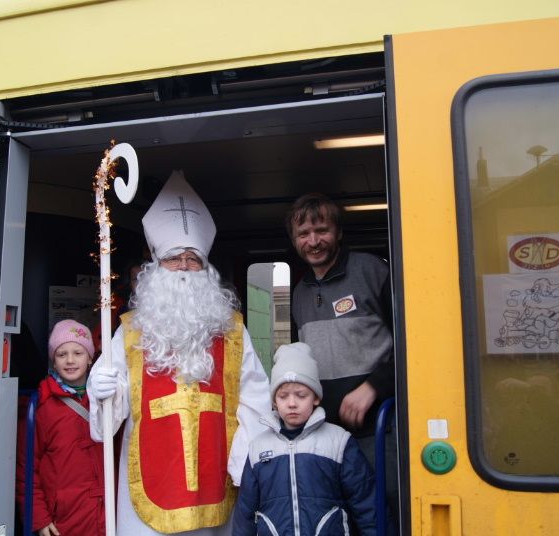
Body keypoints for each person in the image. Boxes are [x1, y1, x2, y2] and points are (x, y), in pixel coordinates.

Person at [87, 170, 270, 536]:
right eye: (174, 258)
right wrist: (102, 389)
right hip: (151, 475)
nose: (185, 267)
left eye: (193, 258)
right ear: (157, 264)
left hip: (216, 474)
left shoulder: (232, 329)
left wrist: (244, 462)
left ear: (206, 267)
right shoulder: (131, 329)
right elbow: (110, 412)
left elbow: (255, 399)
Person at [286, 192, 398, 530]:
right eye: (303, 234)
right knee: (337, 518)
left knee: (385, 514)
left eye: (322, 230)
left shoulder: (372, 271)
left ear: (339, 232)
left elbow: (415, 343)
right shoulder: (299, 292)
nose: (313, 241)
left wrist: (373, 387)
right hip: (325, 433)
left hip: (380, 431)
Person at [233, 342, 375, 535]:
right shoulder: (258, 448)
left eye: (301, 395)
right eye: (283, 396)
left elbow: (367, 504)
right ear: (274, 401)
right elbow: (245, 514)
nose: (292, 403)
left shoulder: (339, 442)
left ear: (315, 397)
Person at [16, 319, 104, 536]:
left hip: (106, 515)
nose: (70, 360)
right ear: (53, 362)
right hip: (63, 520)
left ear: (91, 358)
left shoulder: (107, 400)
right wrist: (38, 518)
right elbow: (26, 469)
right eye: (61, 354)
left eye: (78, 352)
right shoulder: (41, 407)